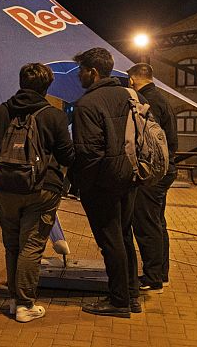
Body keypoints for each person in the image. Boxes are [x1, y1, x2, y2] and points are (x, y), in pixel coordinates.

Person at [0, 63, 74, 322]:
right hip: (42, 189)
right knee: (31, 245)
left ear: (21, 81)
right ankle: (25, 304)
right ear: (47, 86)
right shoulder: (53, 116)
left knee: (12, 244)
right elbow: (67, 154)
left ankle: (13, 299)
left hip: (5, 189)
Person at [72, 47, 144, 318]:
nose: (79, 76)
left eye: (81, 71)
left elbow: (88, 152)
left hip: (103, 183)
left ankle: (118, 301)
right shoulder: (130, 95)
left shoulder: (87, 104)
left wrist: (81, 186)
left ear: (93, 72)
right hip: (131, 176)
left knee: (110, 241)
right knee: (124, 236)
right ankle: (131, 294)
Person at [127, 63, 178, 292]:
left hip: (152, 173)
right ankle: (160, 273)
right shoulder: (162, 99)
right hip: (166, 169)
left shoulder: (144, 102)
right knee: (158, 222)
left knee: (146, 224)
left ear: (132, 80)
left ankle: (152, 277)